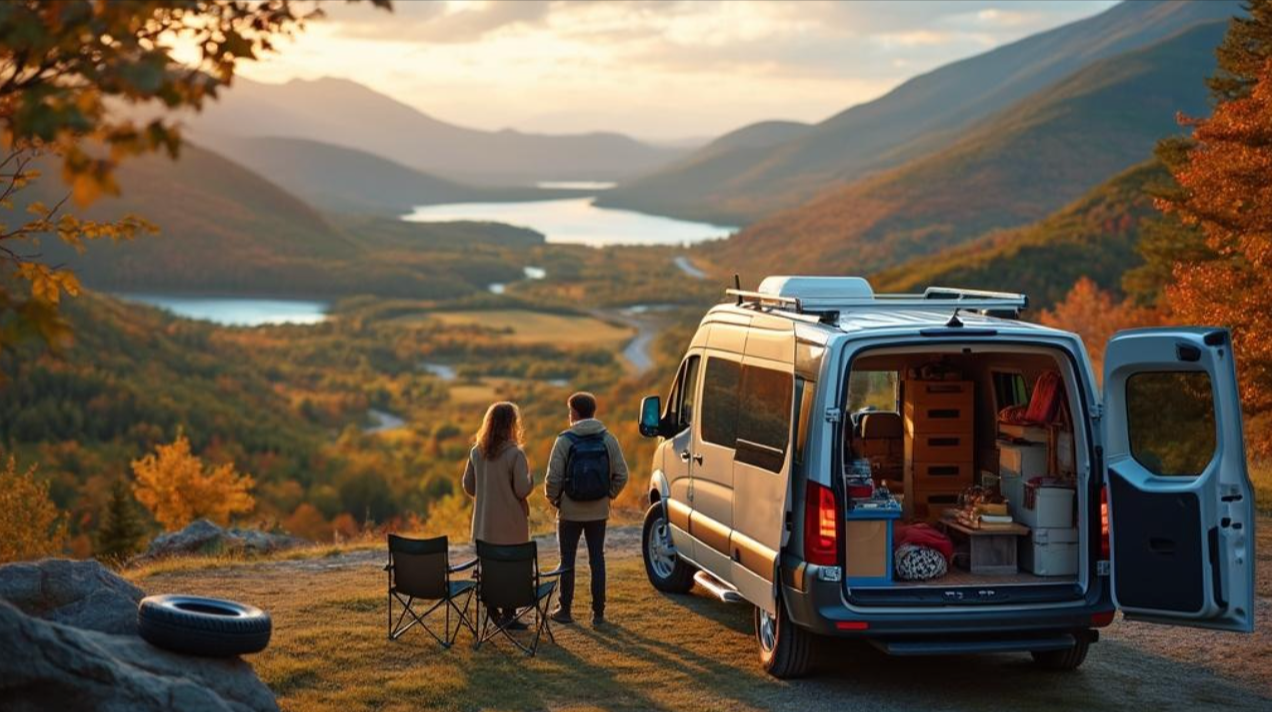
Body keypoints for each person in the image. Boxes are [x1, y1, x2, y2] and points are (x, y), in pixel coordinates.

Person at [544, 391, 629, 627]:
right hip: (598, 512)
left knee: (567, 560)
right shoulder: (607, 439)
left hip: (570, 511)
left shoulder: (564, 440)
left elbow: (552, 480)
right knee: (597, 560)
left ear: (574, 413)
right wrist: (608, 495)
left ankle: (565, 610)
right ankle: (598, 614)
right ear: (593, 413)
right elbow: (622, 474)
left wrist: (557, 500)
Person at [462, 401, 533, 628]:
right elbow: (522, 489)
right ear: (511, 424)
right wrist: (531, 481)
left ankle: (492, 610)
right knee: (511, 568)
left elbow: (469, 487)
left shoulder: (476, 452)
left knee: (489, 567)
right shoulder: (515, 454)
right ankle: (509, 615)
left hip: (484, 523)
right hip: (511, 524)